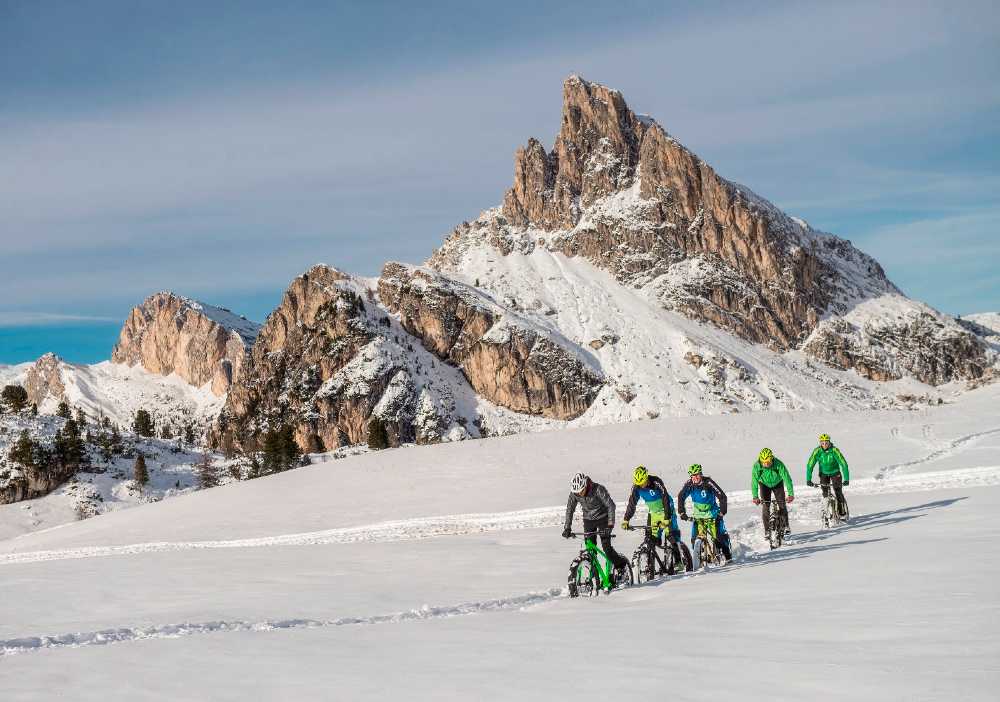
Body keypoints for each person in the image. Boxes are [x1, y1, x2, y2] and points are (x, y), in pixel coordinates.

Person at [562, 472, 630, 581]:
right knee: (590, 550)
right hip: (588, 520)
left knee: (606, 548)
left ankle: (621, 566)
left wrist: (610, 525)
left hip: (603, 518)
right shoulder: (575, 493)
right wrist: (567, 528)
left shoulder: (598, 489)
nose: (580, 494)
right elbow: (570, 510)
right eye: (577, 492)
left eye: (581, 491)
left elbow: (611, 506)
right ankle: (594, 576)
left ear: (585, 485)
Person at [621, 465, 686, 571]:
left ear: (646, 477)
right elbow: (632, 504)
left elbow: (665, 499)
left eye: (643, 482)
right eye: (639, 483)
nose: (641, 485)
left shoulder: (656, 482)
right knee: (651, 539)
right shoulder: (636, 487)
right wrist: (626, 519)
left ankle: (679, 561)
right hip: (654, 513)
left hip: (667, 509)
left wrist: (667, 517)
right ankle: (650, 566)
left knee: (671, 535)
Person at [677, 464, 732, 562]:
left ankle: (728, 556)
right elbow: (681, 496)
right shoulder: (689, 484)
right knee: (694, 539)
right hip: (698, 516)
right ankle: (699, 558)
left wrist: (722, 512)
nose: (695, 477)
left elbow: (722, 496)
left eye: (697, 475)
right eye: (693, 475)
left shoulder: (708, 482)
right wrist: (681, 512)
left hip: (713, 514)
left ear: (701, 474)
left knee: (719, 538)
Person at [752, 448, 794, 536]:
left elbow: (787, 478)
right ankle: (767, 530)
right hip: (764, 485)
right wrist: (755, 496)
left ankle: (786, 525)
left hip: (777, 483)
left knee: (782, 504)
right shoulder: (757, 466)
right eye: (763, 462)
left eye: (768, 462)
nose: (766, 464)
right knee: (765, 506)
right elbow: (754, 482)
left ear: (771, 459)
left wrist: (791, 494)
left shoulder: (778, 464)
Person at [806, 433, 850, 518]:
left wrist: (846, 479)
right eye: (822, 443)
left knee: (838, 491)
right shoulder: (817, 451)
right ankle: (826, 511)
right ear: (820, 443)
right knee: (825, 493)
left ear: (829, 442)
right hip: (823, 473)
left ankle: (842, 512)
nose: (825, 445)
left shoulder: (834, 450)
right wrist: (808, 479)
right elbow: (810, 465)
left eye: (826, 443)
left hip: (835, 473)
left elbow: (843, 464)